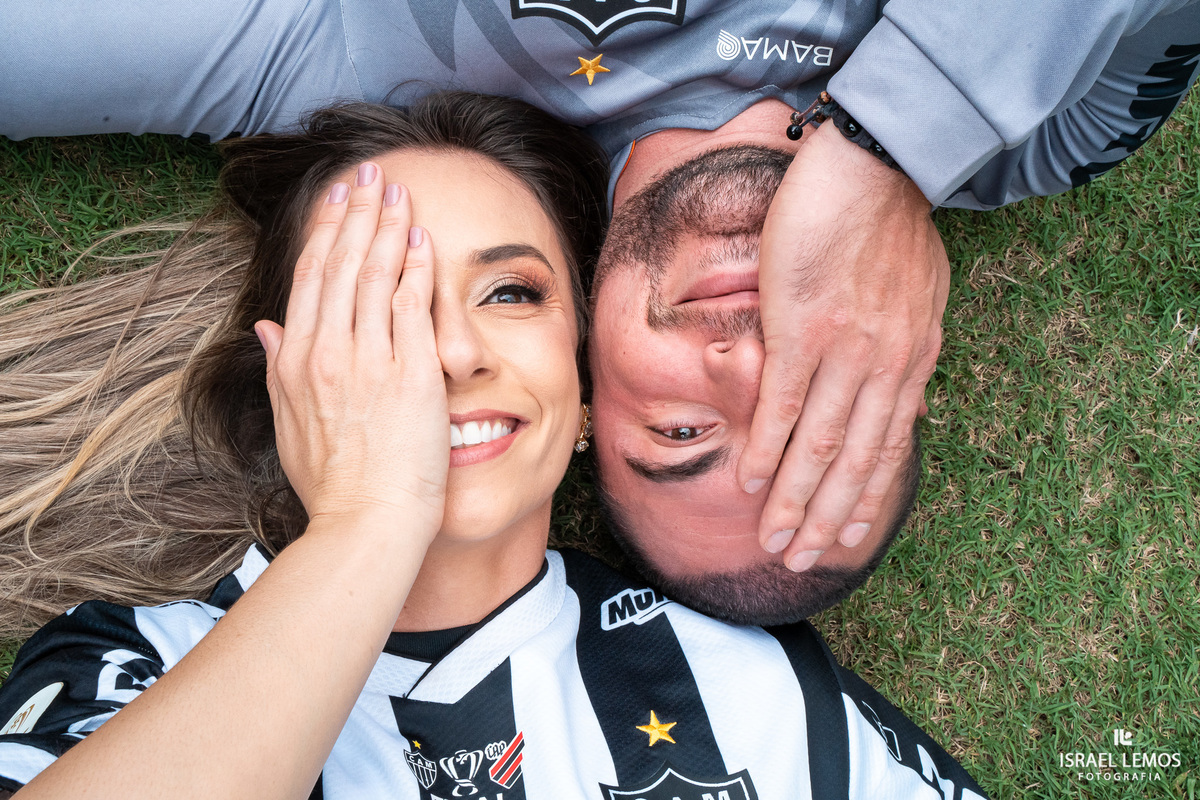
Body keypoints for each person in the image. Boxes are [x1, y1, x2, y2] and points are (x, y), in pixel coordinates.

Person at [4, 0, 1199, 621]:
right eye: (823, 406)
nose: (749, 368)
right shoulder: (1052, 124)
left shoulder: (364, 79)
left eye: (684, 435)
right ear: (902, 348)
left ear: (580, 385)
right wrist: (897, 141)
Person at [0, 92, 986, 799]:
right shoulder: (134, 666)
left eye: (512, 291)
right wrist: (367, 523)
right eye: (380, 306)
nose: (456, 350)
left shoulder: (760, 700)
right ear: (288, 371)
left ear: (588, 382)